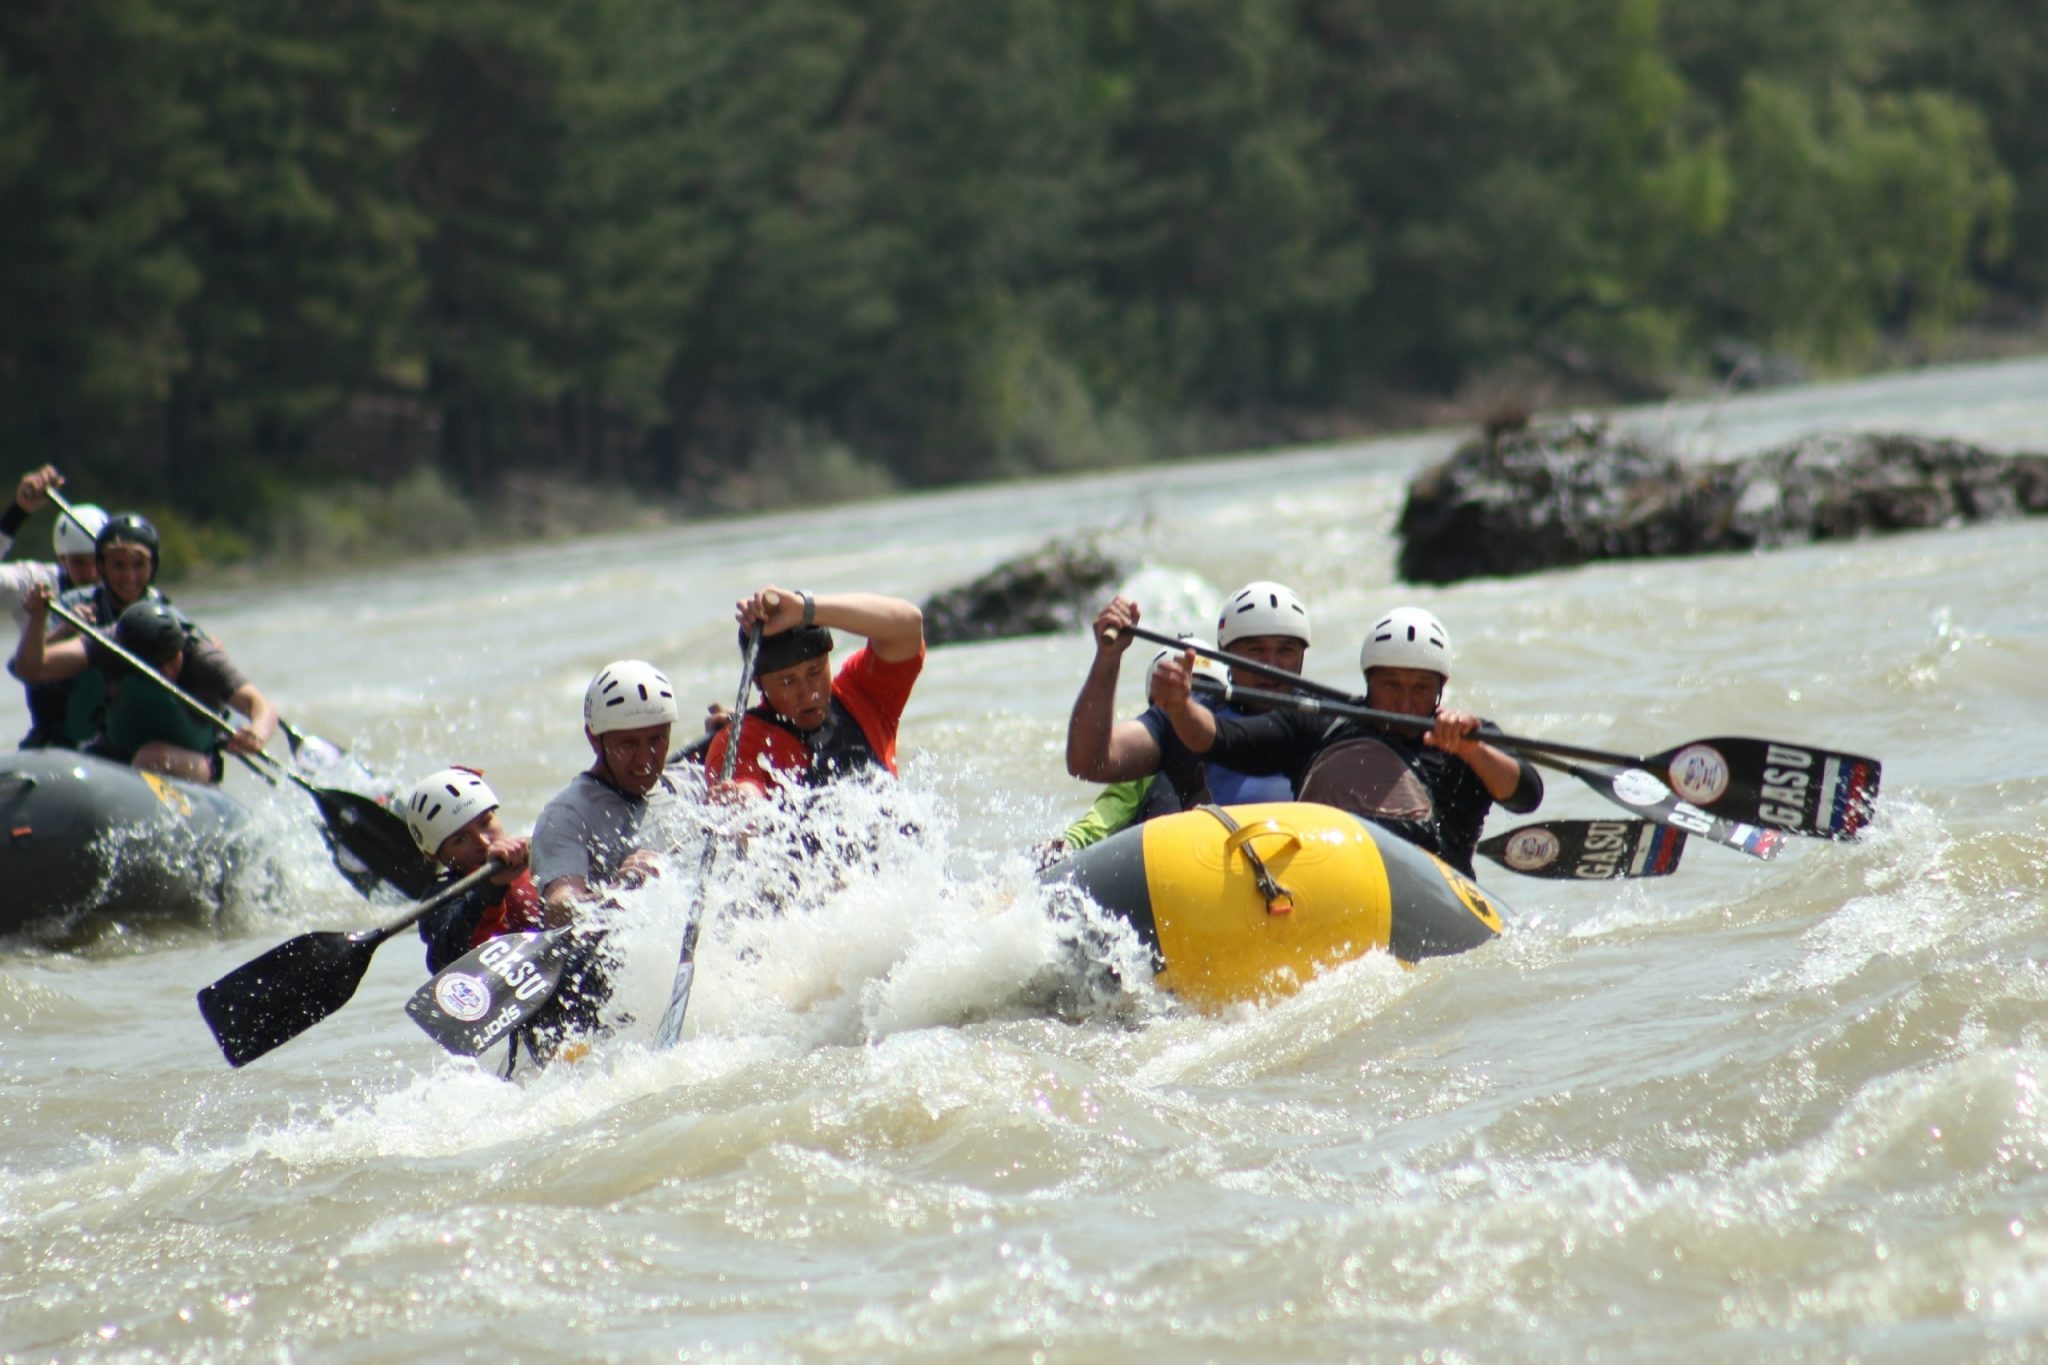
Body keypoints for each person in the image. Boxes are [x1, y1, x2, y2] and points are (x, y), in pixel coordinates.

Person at [1153, 606, 1541, 876]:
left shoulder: (1470, 737)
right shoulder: (1317, 724)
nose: (1405, 702)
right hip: (1328, 876)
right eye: (1391, 685)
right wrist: (1180, 705)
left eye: (1420, 689)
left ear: (1441, 688)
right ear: (1369, 680)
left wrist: (1472, 751)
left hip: (1432, 883)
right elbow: (1218, 739)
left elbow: (1526, 794)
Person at [1064, 581, 1314, 821]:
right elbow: (1089, 763)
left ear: (1302, 657)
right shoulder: (1180, 713)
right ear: (1227, 655)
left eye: (1285, 650)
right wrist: (1109, 657)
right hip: (1210, 856)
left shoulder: (1320, 719)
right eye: (1255, 650)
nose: (1269, 665)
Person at [405, 766, 598, 1070]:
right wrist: (491, 890)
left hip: (585, 975)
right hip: (536, 1014)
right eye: (461, 840)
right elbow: (449, 958)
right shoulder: (439, 900)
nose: (482, 842)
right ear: (434, 856)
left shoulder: (544, 851)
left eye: (485, 822)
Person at [13, 594, 277, 782]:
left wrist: (256, 733)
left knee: (151, 758)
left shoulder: (202, 657)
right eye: (153, 668)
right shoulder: (112, 646)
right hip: (116, 755)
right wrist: (39, 617)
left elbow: (259, 706)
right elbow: (31, 668)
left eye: (168, 663)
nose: (163, 674)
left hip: (190, 764)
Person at [703, 586, 925, 796]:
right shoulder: (739, 741)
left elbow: (909, 625)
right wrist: (743, 796)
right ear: (758, 683)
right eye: (788, 681)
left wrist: (805, 609)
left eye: (816, 671)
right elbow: (748, 798)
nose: (809, 693)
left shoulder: (863, 696)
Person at [530, 659, 687, 914]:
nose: (645, 760)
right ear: (594, 739)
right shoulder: (566, 816)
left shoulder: (684, 785)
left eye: (657, 739)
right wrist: (616, 891)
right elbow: (559, 907)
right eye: (628, 744)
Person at [11, 511, 173, 749]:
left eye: (138, 566)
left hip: (132, 739)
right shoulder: (68, 604)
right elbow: (21, 667)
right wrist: (64, 630)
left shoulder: (162, 611)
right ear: (104, 566)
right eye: (119, 566)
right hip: (67, 738)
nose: (129, 577)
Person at [0, 465, 106, 632]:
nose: (91, 574)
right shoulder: (38, 583)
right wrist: (19, 511)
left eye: (98, 562)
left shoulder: (124, 587)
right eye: (79, 562)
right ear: (61, 559)